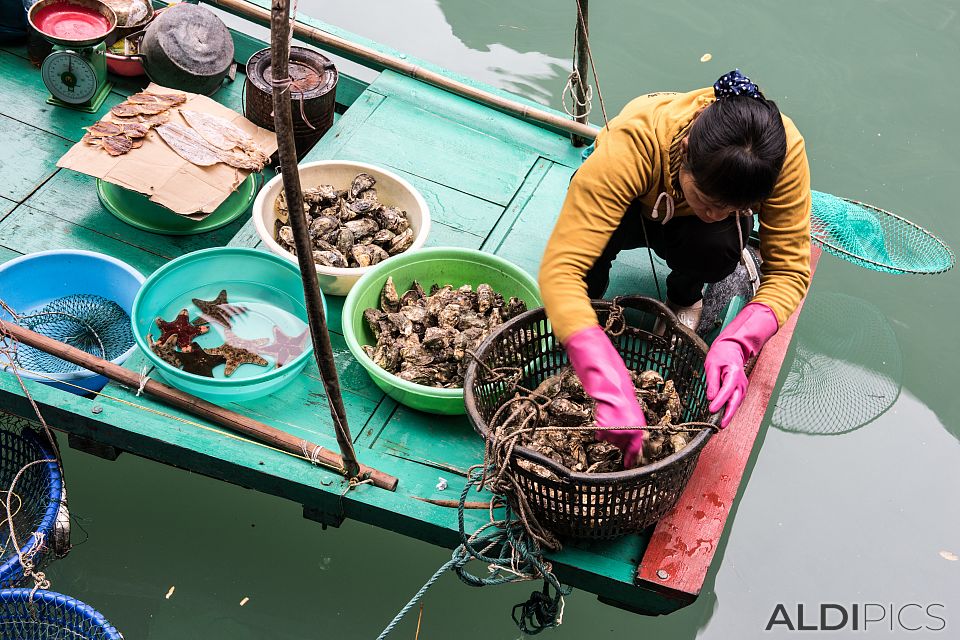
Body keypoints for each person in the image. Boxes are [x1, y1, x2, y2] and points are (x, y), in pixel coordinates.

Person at [539, 70, 811, 466]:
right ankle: (589, 319)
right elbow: (561, 271)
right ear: (685, 148)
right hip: (633, 203)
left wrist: (739, 342)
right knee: (585, 274)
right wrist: (600, 372)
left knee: (717, 243)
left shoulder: (781, 152)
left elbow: (789, 273)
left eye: (733, 208)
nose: (715, 212)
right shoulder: (633, 142)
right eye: (706, 198)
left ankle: (685, 295)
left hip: (689, 228)